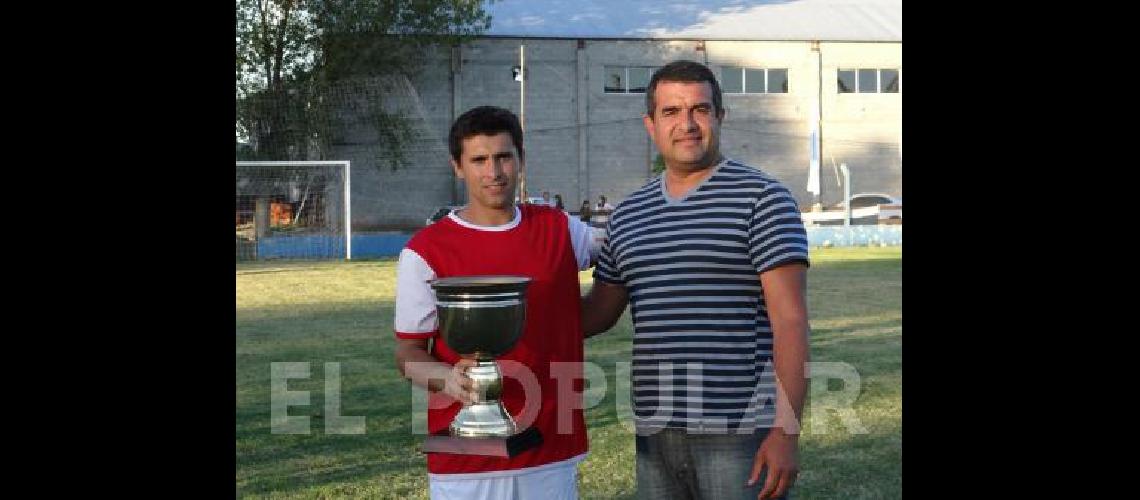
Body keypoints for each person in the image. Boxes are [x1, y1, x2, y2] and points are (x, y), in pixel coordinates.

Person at [581, 60, 811, 500]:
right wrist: (518, 308)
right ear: (651, 124)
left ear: (720, 116)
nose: (686, 124)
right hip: (656, 430)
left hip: (740, 431)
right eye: (671, 112)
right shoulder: (630, 214)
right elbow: (597, 314)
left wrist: (786, 432)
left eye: (700, 110)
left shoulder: (762, 199)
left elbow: (791, 322)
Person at [393, 106, 597, 499]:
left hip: (550, 444)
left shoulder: (558, 228)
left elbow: (626, 254)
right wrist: (449, 380)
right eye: (479, 160)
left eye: (504, 156)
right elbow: (407, 352)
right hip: (465, 456)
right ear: (458, 166)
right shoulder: (425, 250)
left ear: (521, 159)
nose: (494, 172)